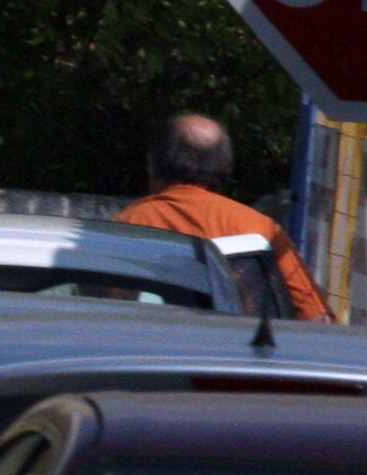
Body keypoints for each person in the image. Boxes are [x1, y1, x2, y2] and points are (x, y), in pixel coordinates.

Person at [116, 113, 331, 320]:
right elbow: (316, 317)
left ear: (153, 165)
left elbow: (110, 304)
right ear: (224, 165)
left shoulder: (129, 224)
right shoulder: (258, 228)